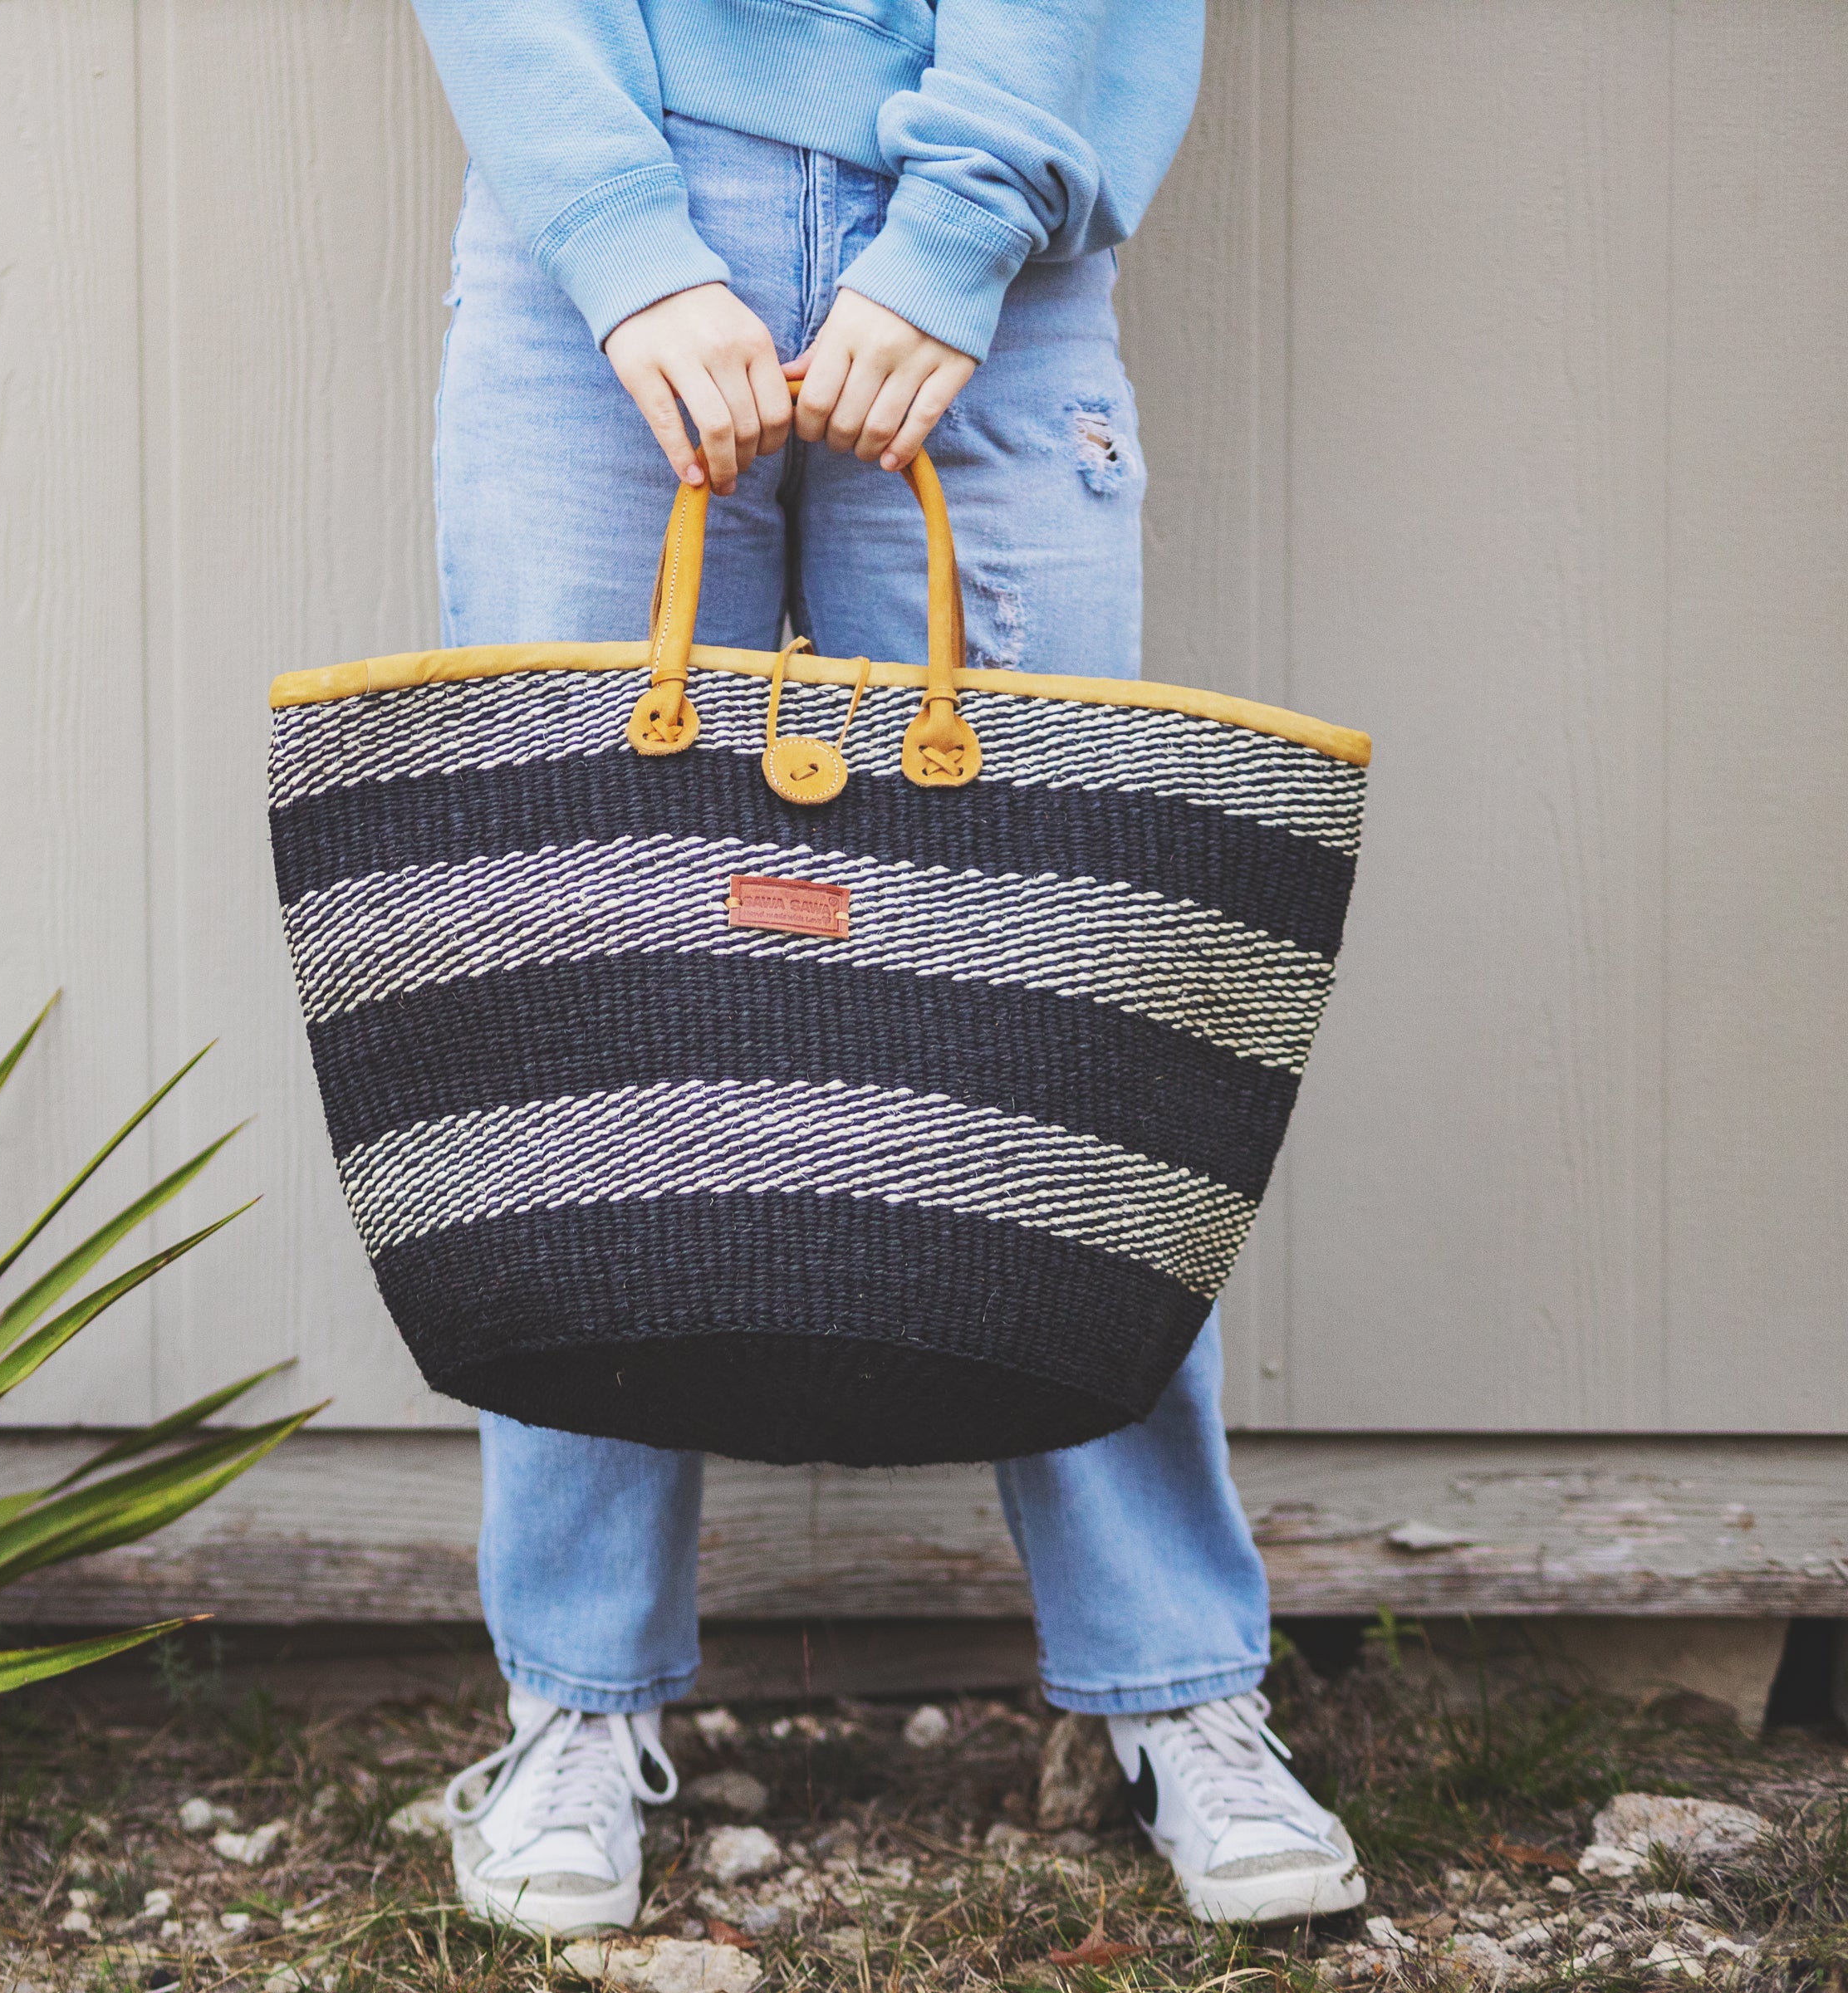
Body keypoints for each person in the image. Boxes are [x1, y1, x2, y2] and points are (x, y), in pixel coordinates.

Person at [405, 0, 1365, 1935]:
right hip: (603, 242)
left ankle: (1180, 1685)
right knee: (588, 1019)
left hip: (986, 254)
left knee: (1053, 1019)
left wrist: (950, 238)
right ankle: (573, 1707)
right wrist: (618, 231)